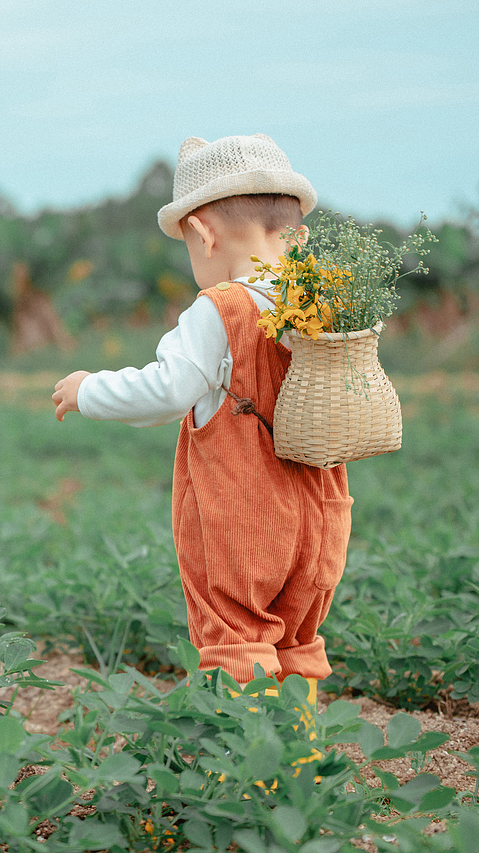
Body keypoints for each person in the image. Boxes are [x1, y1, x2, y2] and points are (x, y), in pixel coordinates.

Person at [51, 133, 353, 708]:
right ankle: (300, 754)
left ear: (204, 233)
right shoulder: (322, 303)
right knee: (295, 637)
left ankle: (244, 753)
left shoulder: (223, 308)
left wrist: (89, 390)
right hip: (321, 515)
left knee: (237, 637)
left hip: (243, 520)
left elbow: (168, 390)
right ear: (297, 233)